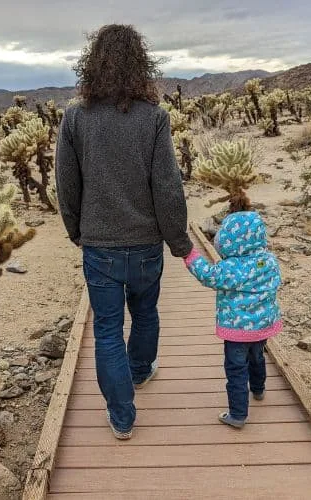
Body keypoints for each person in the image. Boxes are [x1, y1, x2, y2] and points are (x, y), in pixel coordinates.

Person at [55, 24, 192, 440]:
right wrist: (178, 241)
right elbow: (167, 185)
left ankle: (122, 417)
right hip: (147, 245)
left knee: (107, 330)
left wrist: (76, 229)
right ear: (140, 64)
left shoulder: (76, 118)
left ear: (93, 63)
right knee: (146, 313)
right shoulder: (154, 117)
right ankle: (138, 371)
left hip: (100, 247)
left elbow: (66, 181)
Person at [183, 209, 282, 428]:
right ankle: (258, 389)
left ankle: (238, 414)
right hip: (263, 324)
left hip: (238, 330)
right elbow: (276, 282)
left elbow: (208, 276)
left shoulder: (230, 267)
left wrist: (190, 256)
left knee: (236, 369)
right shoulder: (269, 261)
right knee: (257, 357)